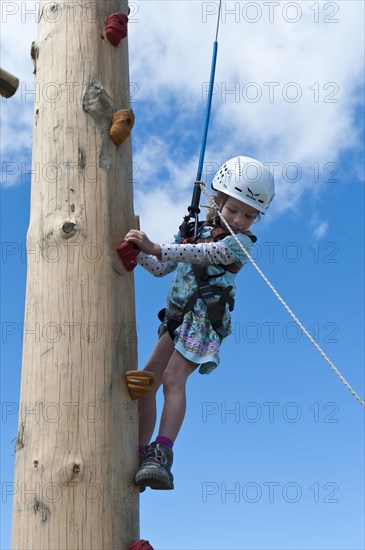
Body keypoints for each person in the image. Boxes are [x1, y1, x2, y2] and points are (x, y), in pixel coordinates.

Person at [123, 156, 275, 491]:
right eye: (234, 210)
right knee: (147, 381)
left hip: (203, 321)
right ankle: (138, 449)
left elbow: (207, 256)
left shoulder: (241, 243)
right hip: (177, 317)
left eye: (250, 215)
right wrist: (138, 254)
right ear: (217, 201)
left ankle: (161, 453)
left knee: (173, 378)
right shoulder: (193, 229)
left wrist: (158, 247)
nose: (241, 219)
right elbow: (163, 268)